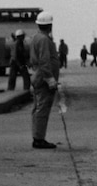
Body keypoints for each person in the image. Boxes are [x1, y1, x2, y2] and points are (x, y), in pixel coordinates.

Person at [30, 15, 61, 148]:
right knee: (43, 108)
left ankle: (37, 136)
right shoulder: (43, 40)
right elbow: (44, 61)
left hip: (38, 75)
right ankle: (39, 139)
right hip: (43, 77)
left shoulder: (37, 37)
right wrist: (50, 80)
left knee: (38, 108)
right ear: (50, 26)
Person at [8, 28, 31, 95]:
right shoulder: (17, 44)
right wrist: (20, 65)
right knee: (14, 78)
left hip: (18, 62)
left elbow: (22, 54)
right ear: (20, 36)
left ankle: (25, 91)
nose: (24, 37)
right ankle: (10, 92)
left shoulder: (20, 43)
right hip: (15, 63)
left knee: (22, 77)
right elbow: (15, 56)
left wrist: (26, 62)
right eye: (23, 36)